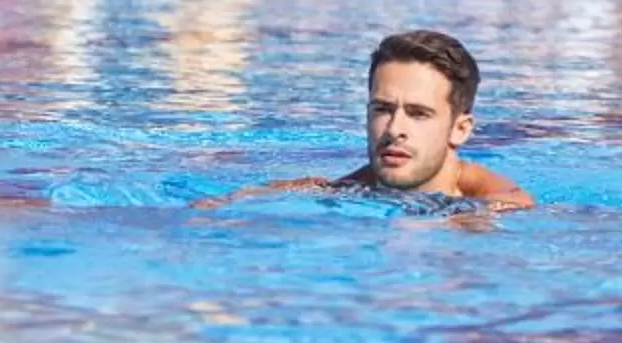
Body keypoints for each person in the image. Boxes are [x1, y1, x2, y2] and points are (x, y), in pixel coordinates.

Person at [206, 30, 534, 210]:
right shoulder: (357, 186)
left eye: (419, 114)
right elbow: (319, 186)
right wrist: (234, 198)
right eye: (382, 109)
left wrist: (465, 218)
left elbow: (516, 202)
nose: (394, 130)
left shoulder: (484, 200)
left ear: (460, 129)